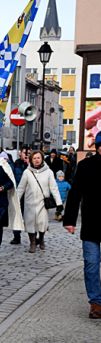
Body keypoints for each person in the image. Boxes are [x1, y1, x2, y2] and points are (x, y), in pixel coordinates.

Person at [63, 132, 101, 318]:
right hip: (92, 223)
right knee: (91, 265)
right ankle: (96, 303)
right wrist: (69, 220)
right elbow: (75, 194)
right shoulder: (85, 166)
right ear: (97, 147)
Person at [17, 150, 62, 253]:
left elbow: (54, 188)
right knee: (30, 223)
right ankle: (32, 242)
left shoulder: (48, 172)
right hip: (30, 202)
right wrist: (16, 200)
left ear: (42, 159)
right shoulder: (27, 172)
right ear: (31, 160)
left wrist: (59, 202)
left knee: (42, 223)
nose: (37, 160)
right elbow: (21, 188)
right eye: (34, 158)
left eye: (38, 158)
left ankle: (41, 238)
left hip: (43, 202)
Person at [10, 147, 30, 245]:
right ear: (20, 153)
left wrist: (29, 165)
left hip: (30, 193)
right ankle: (16, 235)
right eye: (25, 153)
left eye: (29, 153)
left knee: (31, 215)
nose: (26, 155)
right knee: (17, 214)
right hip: (19, 193)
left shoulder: (33, 165)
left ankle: (33, 237)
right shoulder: (16, 164)